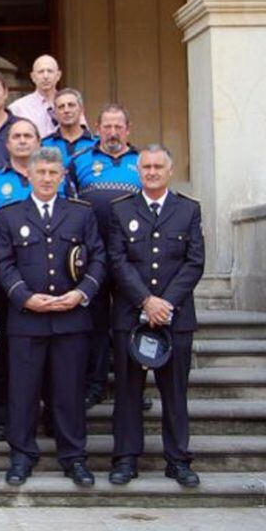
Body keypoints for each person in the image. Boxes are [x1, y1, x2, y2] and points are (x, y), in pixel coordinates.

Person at [0, 147, 106, 487]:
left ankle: (73, 457)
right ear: (28, 174)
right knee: (23, 392)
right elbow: (4, 262)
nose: (46, 179)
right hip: (27, 319)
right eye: (40, 172)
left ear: (62, 177)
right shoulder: (10, 214)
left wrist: (81, 293)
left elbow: (99, 258)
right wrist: (26, 298)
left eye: (52, 173)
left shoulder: (80, 213)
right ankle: (22, 456)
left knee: (69, 392)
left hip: (71, 318)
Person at [108, 145, 205, 488]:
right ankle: (125, 458)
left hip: (175, 318)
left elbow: (194, 262)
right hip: (130, 315)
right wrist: (146, 301)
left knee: (175, 392)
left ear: (170, 169)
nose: (151, 172)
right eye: (145, 167)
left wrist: (166, 304)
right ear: (138, 170)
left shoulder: (188, 209)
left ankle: (178, 460)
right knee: (128, 390)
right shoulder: (121, 210)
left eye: (157, 166)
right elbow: (117, 261)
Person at [0, 118, 60, 440]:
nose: (23, 141)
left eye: (29, 136)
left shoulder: (54, 177)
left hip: (52, 280)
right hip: (5, 279)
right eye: (17, 136)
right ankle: (3, 417)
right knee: (4, 352)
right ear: (7, 144)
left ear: (38, 141)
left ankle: (53, 416)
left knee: (55, 354)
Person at [70, 103, 141, 408]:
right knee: (96, 323)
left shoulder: (142, 162)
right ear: (96, 128)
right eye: (107, 126)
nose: (112, 132)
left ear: (128, 129)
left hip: (132, 257)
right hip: (93, 256)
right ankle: (95, 384)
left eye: (118, 126)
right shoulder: (79, 161)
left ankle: (132, 388)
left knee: (129, 322)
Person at [8, 54, 67, 138]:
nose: (45, 76)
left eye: (50, 71)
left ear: (58, 75)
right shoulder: (18, 108)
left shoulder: (70, 105)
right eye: (41, 72)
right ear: (33, 77)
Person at [42, 88, 96, 166]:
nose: (66, 110)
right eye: (61, 107)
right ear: (55, 113)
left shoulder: (97, 144)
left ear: (81, 110)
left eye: (71, 105)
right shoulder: (43, 145)